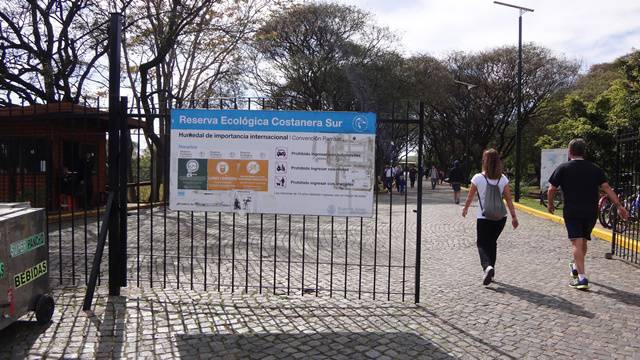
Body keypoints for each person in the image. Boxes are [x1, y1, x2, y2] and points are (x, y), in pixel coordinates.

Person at [547, 138, 628, 290]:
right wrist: (619, 206)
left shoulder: (563, 168)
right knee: (583, 241)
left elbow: (551, 189)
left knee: (576, 242)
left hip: (572, 210)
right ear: (584, 152)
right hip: (591, 211)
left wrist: (550, 204)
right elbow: (607, 188)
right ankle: (577, 268)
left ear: (570, 152)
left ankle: (582, 278)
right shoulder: (595, 169)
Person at [462, 149, 518, 285]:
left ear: (484, 161)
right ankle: (491, 273)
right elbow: (509, 199)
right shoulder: (503, 179)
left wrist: (465, 209)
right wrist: (514, 217)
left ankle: (487, 267)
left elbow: (470, 197)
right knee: (492, 243)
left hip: (484, 217)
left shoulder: (477, 178)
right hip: (500, 218)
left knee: (481, 243)